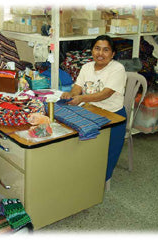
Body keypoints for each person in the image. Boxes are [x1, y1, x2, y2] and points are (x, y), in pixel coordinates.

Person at [61, 35, 127, 182]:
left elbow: (105, 94)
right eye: (97, 49)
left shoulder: (117, 69)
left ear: (113, 54)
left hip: (113, 116)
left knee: (106, 153)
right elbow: (77, 88)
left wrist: (81, 99)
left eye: (106, 50)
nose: (100, 54)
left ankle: (99, 181)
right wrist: (70, 95)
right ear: (92, 51)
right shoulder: (86, 67)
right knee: (81, 145)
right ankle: (83, 174)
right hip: (90, 111)